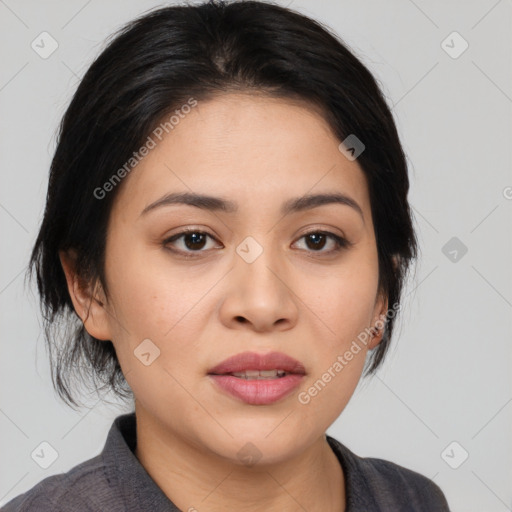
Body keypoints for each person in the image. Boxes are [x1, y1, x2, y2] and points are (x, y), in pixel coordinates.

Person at [1, 1, 451, 510]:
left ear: (381, 295)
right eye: (193, 239)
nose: (262, 304)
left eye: (317, 239)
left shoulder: (415, 502)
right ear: (88, 286)